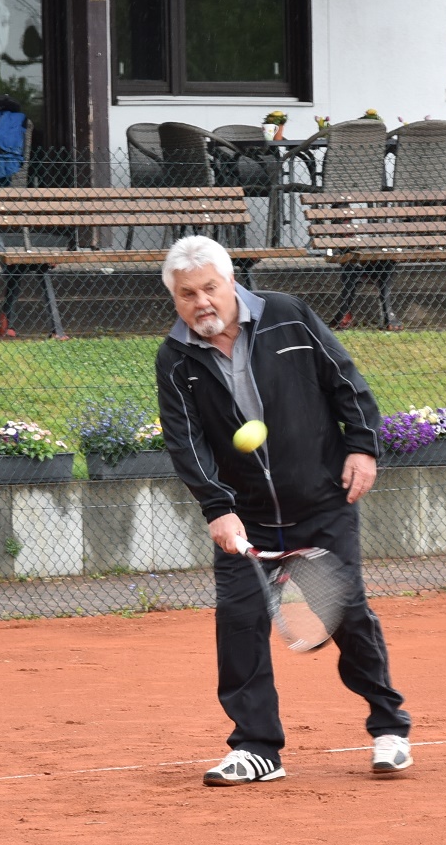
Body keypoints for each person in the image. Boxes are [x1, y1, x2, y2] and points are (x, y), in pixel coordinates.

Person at [155, 236, 412, 786]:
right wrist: (217, 509)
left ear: (231, 283)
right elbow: (186, 440)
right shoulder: (175, 358)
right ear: (175, 299)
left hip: (321, 501)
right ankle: (257, 748)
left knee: (347, 614)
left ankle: (389, 727)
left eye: (209, 288)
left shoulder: (288, 315)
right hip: (245, 515)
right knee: (239, 622)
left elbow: (346, 382)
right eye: (187, 294)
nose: (201, 302)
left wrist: (363, 447)